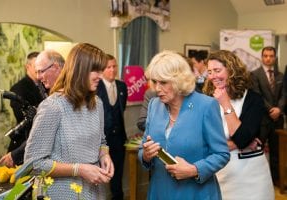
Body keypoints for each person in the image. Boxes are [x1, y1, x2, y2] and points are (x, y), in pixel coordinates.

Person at [24, 43, 114, 199]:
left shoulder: (97, 103)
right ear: (80, 70)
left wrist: (104, 156)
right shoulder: (53, 107)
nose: (101, 75)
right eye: (96, 70)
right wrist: (79, 170)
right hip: (63, 193)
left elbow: (102, 141)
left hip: (94, 192)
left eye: (101, 70)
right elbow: (33, 164)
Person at [138, 50, 230, 200]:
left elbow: (222, 154)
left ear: (179, 80)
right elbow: (143, 148)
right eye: (155, 82)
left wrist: (193, 169)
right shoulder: (154, 105)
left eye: (163, 82)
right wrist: (146, 155)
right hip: (160, 191)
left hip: (196, 193)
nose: (157, 88)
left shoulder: (206, 106)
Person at [203, 50, 274, 200]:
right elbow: (200, 139)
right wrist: (236, 144)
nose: (213, 76)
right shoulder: (205, 101)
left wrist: (225, 103)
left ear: (232, 70)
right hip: (219, 172)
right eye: (209, 72)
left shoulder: (253, 99)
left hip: (251, 177)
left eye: (217, 70)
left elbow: (242, 138)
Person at [0, 52, 46, 167]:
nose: (40, 70)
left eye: (42, 67)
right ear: (27, 66)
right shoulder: (18, 88)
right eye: (36, 66)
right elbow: (21, 115)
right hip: (23, 143)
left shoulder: (46, 85)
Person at [251, 46, 284, 184]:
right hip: (263, 120)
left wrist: (279, 109)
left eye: (271, 56)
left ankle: (276, 180)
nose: (268, 58)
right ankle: (257, 179)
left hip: (278, 120)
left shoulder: (281, 75)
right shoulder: (254, 74)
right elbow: (257, 95)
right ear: (261, 57)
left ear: (275, 58)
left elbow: (285, 95)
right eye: (265, 55)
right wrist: (272, 110)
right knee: (258, 151)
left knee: (277, 152)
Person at [97, 54, 127, 200]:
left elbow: (122, 109)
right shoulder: (96, 86)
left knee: (118, 175)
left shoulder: (122, 86)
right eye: (108, 67)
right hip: (102, 140)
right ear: (102, 69)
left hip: (119, 138)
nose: (112, 70)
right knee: (101, 175)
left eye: (114, 66)